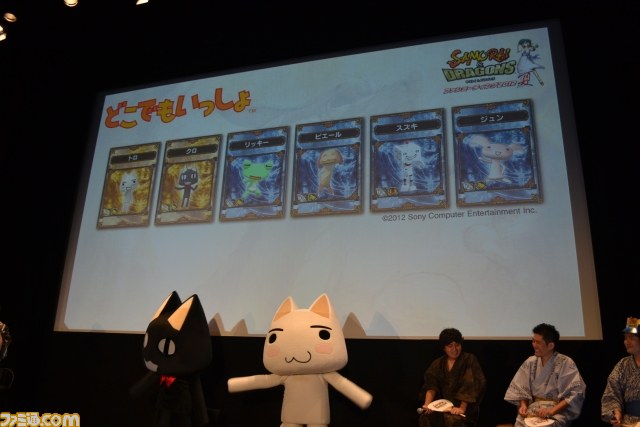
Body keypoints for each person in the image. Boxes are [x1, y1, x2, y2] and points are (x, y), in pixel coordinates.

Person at [504, 323, 586, 427]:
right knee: (520, 423)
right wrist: (523, 406)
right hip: (533, 409)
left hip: (556, 411)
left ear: (551, 345)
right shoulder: (530, 362)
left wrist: (552, 411)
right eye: (533, 341)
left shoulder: (566, 362)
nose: (534, 345)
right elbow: (521, 388)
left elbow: (575, 392)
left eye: (538, 342)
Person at [419, 328, 486, 427]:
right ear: (444, 348)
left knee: (453, 421)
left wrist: (462, 408)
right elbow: (431, 385)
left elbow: (470, 385)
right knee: (425, 418)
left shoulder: (469, 359)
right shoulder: (438, 363)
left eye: (457, 345)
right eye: (450, 346)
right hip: (443, 407)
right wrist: (428, 405)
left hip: (465, 409)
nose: (454, 349)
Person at [601, 316, 640, 426]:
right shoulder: (623, 365)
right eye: (625, 338)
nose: (626, 342)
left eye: (631, 338)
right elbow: (612, 392)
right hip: (629, 422)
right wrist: (616, 413)